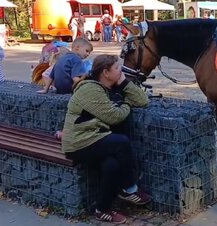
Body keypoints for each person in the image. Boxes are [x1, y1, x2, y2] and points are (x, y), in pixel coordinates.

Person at [61, 54, 151, 223]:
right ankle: (129, 189)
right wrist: (127, 104)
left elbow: (143, 100)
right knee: (121, 143)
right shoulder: (90, 89)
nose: (121, 71)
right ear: (106, 72)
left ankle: (102, 209)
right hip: (79, 143)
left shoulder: (112, 87)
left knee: (112, 164)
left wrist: (124, 83)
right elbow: (114, 117)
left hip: (95, 139)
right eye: (117, 68)